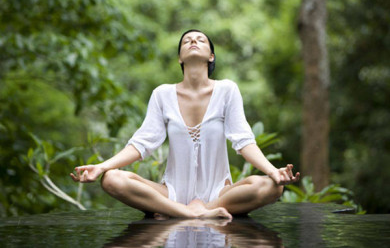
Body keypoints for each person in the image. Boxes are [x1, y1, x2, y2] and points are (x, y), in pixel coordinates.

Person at [70, 29, 300, 219]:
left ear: (211, 56)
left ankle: (198, 210)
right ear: (180, 58)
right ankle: (189, 213)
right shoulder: (162, 94)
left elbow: (244, 141)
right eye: (187, 40)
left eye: (201, 40)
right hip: (171, 193)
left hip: (220, 194)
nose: (193, 41)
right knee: (111, 179)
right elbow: (141, 144)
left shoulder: (227, 90)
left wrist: (273, 171)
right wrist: (102, 167)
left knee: (272, 187)